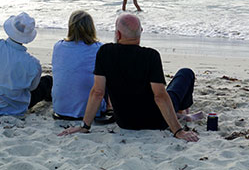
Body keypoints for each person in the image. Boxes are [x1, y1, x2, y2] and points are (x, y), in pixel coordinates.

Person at [58, 13, 198, 142]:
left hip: (125, 122)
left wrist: (85, 126)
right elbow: (160, 96)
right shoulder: (151, 56)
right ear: (140, 32)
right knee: (185, 73)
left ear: (118, 34)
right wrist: (178, 131)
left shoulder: (105, 52)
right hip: (157, 121)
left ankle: (180, 112)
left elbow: (98, 92)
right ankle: (181, 111)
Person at [51, 10, 107, 120]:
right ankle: (108, 106)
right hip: (91, 111)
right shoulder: (99, 48)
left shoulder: (58, 46)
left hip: (60, 109)